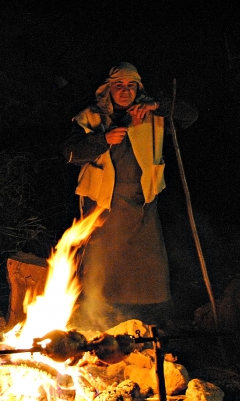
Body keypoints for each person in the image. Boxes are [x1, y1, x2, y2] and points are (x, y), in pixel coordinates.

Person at [62, 62, 198, 331]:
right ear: (108, 89)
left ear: (138, 88)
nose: (124, 91)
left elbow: (190, 114)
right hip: (102, 204)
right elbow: (70, 153)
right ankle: (96, 320)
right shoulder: (91, 117)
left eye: (130, 86)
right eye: (118, 86)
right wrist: (103, 140)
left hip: (142, 202)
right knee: (101, 267)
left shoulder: (152, 114)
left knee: (146, 269)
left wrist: (157, 105)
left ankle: (144, 325)